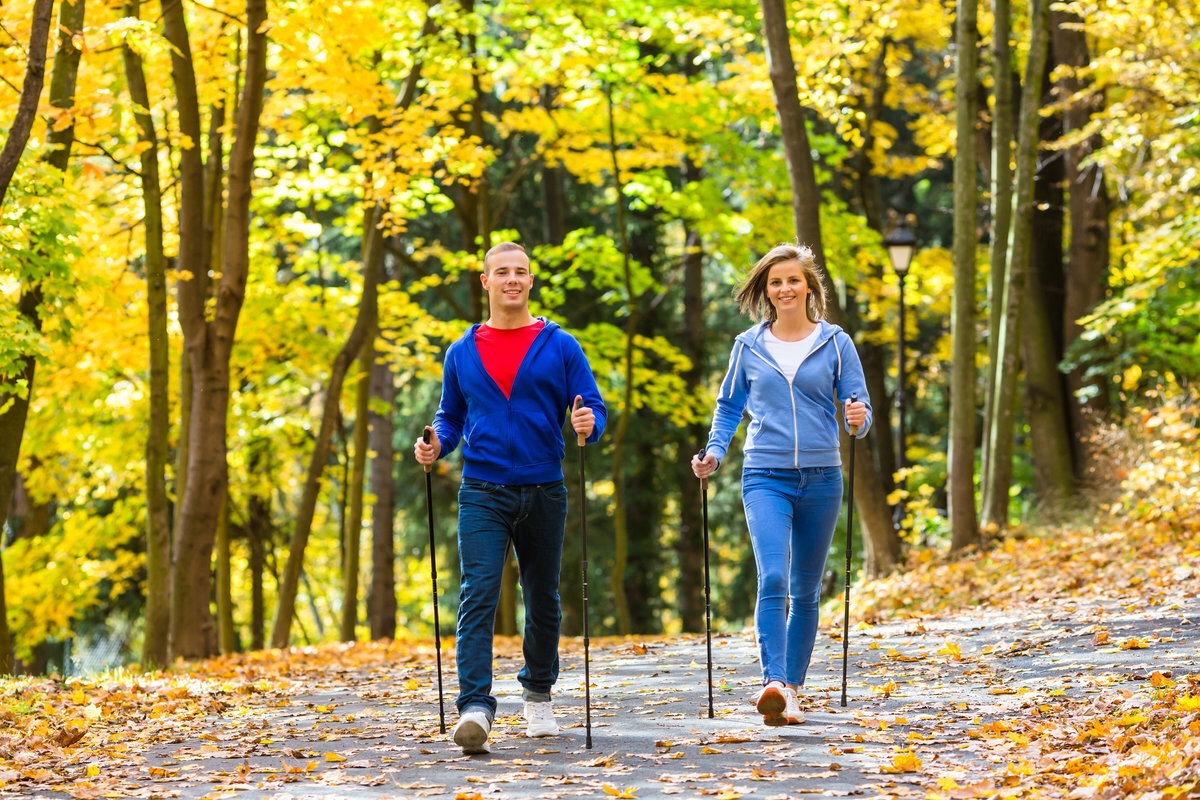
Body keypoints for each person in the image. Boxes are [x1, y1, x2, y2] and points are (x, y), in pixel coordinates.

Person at [414, 241, 607, 755]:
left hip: (545, 488)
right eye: (502, 272)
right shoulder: (462, 351)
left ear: (530, 280)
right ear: (486, 282)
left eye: (520, 271)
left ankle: (538, 693)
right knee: (478, 593)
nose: (512, 280)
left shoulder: (559, 344)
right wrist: (435, 443)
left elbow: (594, 408)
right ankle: (475, 707)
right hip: (482, 488)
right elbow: (451, 417)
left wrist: (588, 423)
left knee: (542, 596)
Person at [691, 243, 870, 727]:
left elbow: (860, 410)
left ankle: (791, 691)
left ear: (809, 287)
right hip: (764, 474)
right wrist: (714, 451)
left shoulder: (836, 343)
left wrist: (857, 418)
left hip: (822, 477)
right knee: (773, 577)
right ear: (766, 291)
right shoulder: (747, 345)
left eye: (793, 280)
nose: (785, 288)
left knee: (806, 590)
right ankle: (772, 681)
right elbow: (729, 406)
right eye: (776, 282)